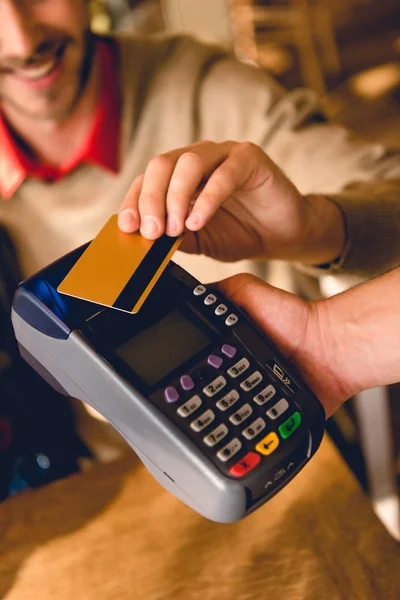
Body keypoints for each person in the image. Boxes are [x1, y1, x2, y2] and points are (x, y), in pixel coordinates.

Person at [0, 0, 399, 498]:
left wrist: (317, 227)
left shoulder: (209, 89)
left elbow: (390, 191)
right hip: (108, 495)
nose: (21, 43)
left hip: (289, 451)